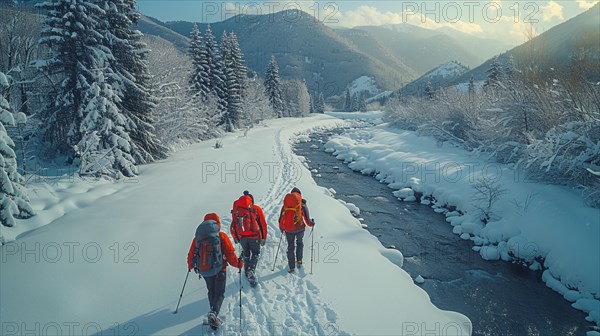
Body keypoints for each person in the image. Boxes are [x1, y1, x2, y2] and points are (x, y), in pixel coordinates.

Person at [187, 213, 243, 330]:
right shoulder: (221, 236)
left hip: (205, 271)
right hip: (219, 269)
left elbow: (191, 254)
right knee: (220, 293)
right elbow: (230, 254)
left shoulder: (197, 239)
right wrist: (238, 264)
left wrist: (190, 266)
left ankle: (213, 311)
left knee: (211, 291)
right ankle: (214, 313)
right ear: (217, 223)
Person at [230, 191, 267, 286]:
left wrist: (235, 237)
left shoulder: (237, 210)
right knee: (255, 253)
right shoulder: (256, 209)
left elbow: (233, 225)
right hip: (254, 236)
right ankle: (251, 271)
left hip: (242, 237)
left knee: (246, 253)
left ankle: (246, 271)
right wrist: (263, 238)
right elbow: (262, 224)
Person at [278, 187, 315, 273]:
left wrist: (282, 228)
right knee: (299, 243)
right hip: (300, 228)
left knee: (290, 246)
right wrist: (312, 223)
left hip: (288, 229)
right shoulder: (302, 205)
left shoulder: (285, 206)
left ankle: (291, 266)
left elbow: (281, 219)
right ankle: (299, 260)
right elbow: (307, 220)